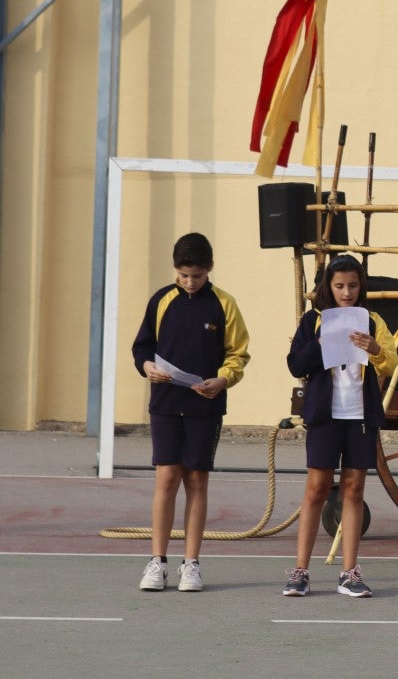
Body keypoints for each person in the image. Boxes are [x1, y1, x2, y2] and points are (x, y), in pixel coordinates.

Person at [131, 232, 251, 592]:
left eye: (196, 276)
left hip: (205, 405)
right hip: (166, 403)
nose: (189, 282)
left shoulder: (224, 304)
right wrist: (147, 367)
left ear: (209, 269)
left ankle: (192, 564)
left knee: (196, 481)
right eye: (182, 276)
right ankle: (157, 562)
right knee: (166, 479)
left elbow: (238, 354)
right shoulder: (161, 300)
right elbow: (142, 347)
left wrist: (223, 380)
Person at [284, 256, 397, 597]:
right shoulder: (313, 320)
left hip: (360, 416)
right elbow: (294, 364)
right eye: (339, 286)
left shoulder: (372, 320)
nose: (346, 293)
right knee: (317, 488)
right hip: (324, 415)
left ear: (361, 286)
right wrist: (318, 344)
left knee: (354, 489)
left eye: (352, 285)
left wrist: (375, 349)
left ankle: (350, 573)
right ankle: (300, 571)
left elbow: (391, 361)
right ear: (327, 288)